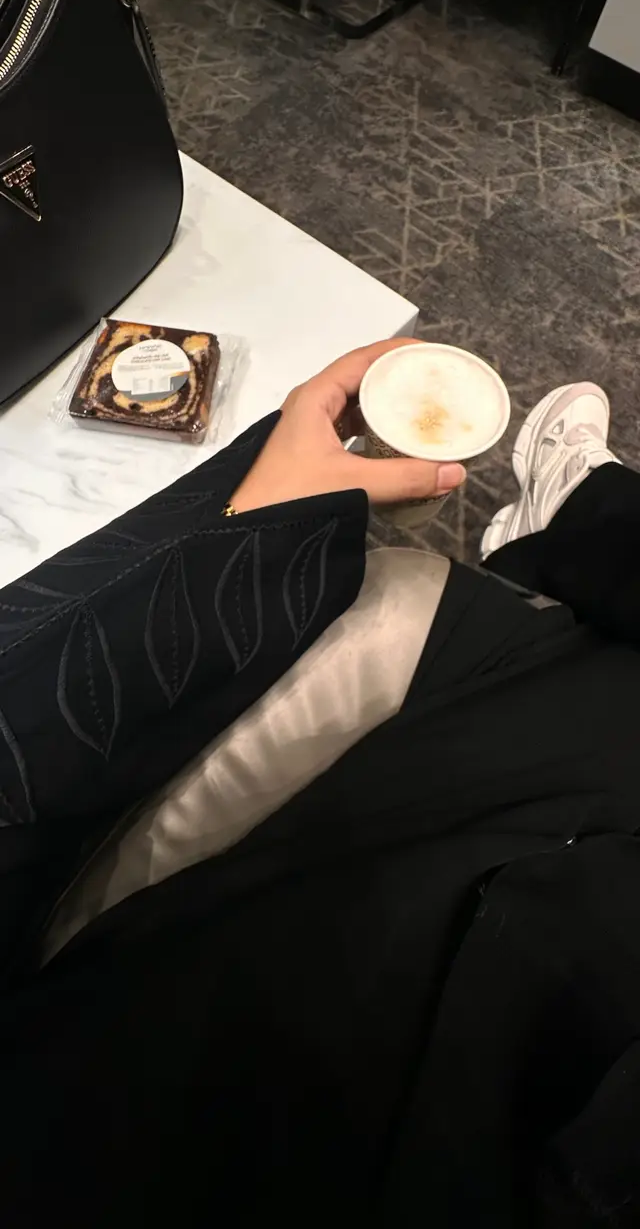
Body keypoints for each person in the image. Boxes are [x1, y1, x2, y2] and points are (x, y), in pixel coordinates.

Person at [0, 338, 639, 1228]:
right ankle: (569, 526)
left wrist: (239, 537)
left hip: (223, 1030)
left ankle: (568, 533)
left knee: (419, 601)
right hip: (558, 826)